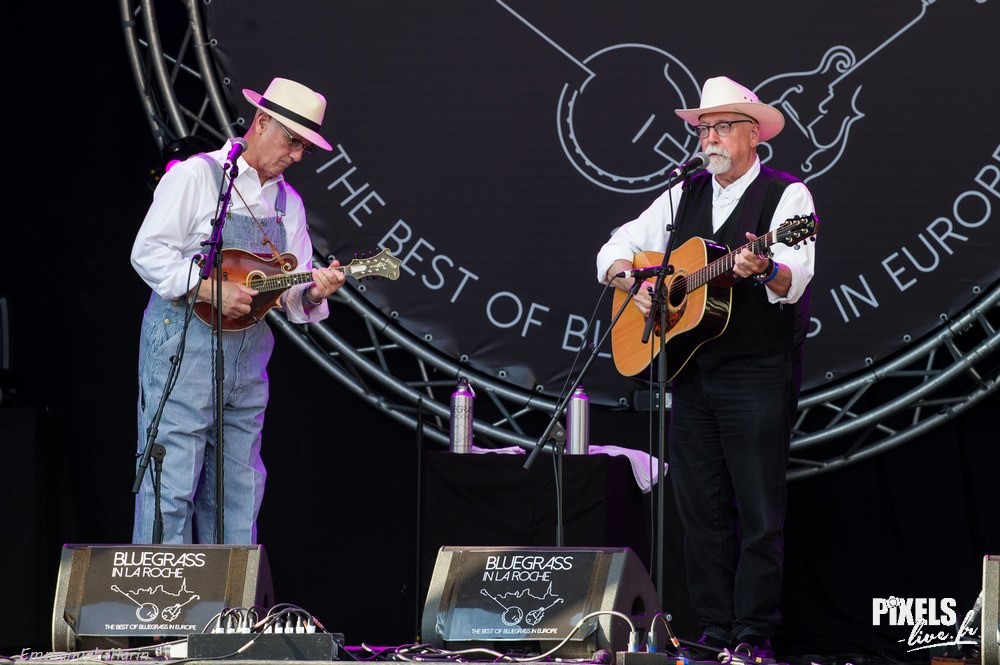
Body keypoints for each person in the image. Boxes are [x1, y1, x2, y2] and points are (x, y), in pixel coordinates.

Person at [596, 76, 818, 661]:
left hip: (757, 372)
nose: (709, 138)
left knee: (758, 511)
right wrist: (635, 283)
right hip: (691, 373)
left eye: (721, 127)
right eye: (703, 128)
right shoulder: (682, 194)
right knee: (699, 510)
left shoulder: (788, 198)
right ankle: (712, 632)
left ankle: (752, 637)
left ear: (753, 134)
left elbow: (793, 282)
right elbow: (614, 248)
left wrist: (762, 269)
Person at [131, 77, 347, 544]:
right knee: (171, 480)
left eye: (305, 150)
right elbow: (148, 252)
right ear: (262, 121)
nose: (295, 156)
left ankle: (227, 611)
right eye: (292, 141)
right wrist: (208, 289)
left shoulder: (290, 204)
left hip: (247, 360)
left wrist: (314, 291)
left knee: (239, 490)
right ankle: (160, 609)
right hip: (183, 347)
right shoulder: (196, 176)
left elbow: (290, 295)